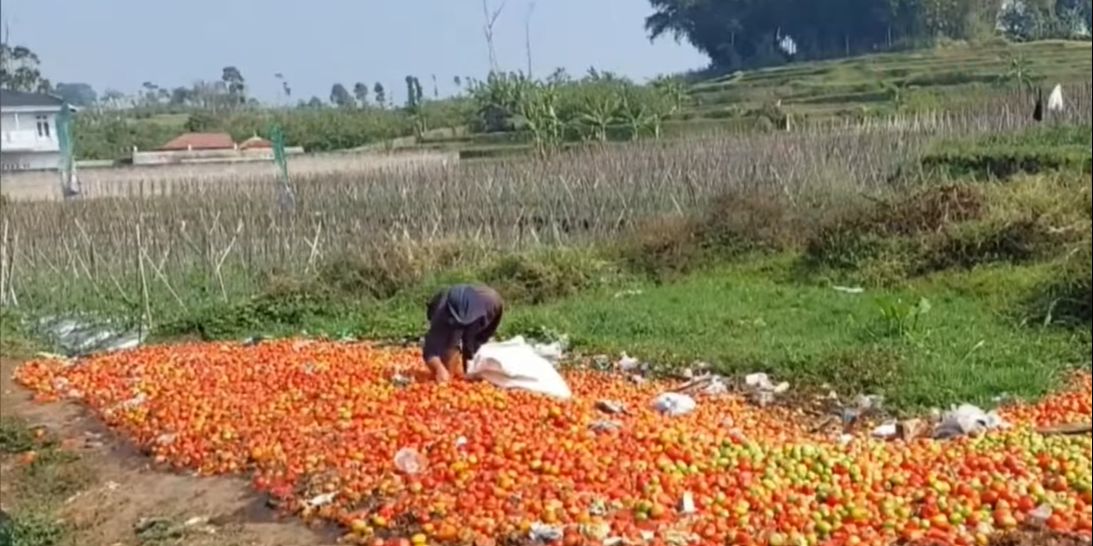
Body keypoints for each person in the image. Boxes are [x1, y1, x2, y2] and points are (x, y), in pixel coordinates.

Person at [422, 284, 504, 383]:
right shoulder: (454, 303)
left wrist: (439, 369)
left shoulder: (442, 313)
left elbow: (430, 350)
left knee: (453, 345)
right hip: (494, 302)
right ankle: (471, 373)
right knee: (473, 343)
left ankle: (453, 376)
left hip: (483, 303)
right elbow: (470, 343)